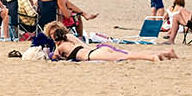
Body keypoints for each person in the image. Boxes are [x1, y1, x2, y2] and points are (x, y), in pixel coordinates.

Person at [45, 22, 177, 62]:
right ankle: (164, 53)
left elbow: (53, 58)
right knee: (128, 52)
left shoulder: (60, 47)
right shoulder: (71, 37)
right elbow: (86, 45)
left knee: (126, 56)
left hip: (93, 56)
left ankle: (153, 57)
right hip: (97, 50)